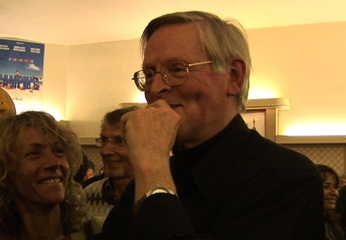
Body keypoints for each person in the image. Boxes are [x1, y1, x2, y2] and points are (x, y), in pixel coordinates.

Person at [98, 11, 324, 240]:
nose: (155, 89)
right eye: (148, 74)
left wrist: (153, 167)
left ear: (233, 77)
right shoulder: (151, 178)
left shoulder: (288, 178)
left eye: (177, 69)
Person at [0, 111, 104, 240]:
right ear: (4, 170)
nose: (54, 162)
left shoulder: (103, 231)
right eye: (33, 153)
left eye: (59, 151)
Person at [84, 106, 137, 219]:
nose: (105, 151)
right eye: (104, 141)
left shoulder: (159, 196)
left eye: (119, 141)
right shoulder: (89, 195)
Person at [316, 164, 345, 240]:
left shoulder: (334, 229)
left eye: (335, 187)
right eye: (325, 186)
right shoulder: (296, 227)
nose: (334, 192)